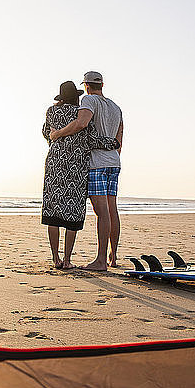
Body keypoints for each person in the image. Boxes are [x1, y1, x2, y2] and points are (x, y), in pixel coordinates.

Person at [50, 71, 123, 271]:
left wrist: (57, 134)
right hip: (113, 162)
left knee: (102, 213)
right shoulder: (115, 107)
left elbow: (81, 124)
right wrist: (113, 156)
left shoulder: (89, 100)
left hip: (97, 163)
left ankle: (100, 261)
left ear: (86, 86)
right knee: (111, 210)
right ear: (102, 85)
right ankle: (113, 257)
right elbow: (119, 140)